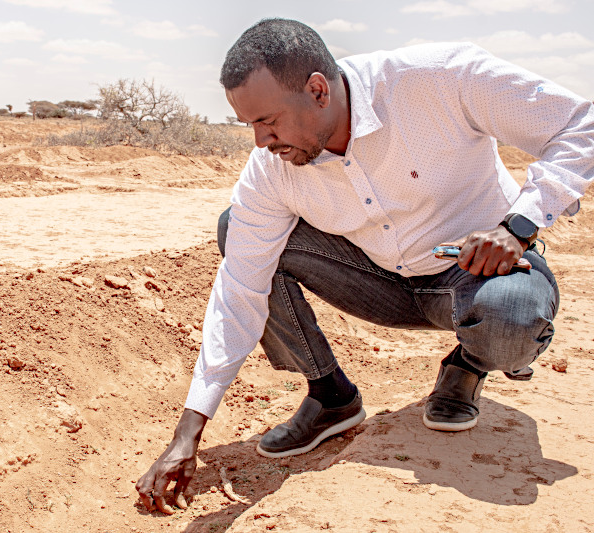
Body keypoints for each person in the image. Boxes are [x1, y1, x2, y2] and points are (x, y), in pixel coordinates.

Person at [136, 18, 594, 514]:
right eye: (249, 125)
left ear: (317, 90)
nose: (260, 141)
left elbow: (579, 125)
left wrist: (518, 226)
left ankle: (467, 365)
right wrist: (188, 434)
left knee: (512, 319)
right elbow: (239, 290)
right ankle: (330, 397)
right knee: (238, 230)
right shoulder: (269, 171)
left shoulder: (439, 79)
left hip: (476, 277)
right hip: (379, 283)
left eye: (268, 121)